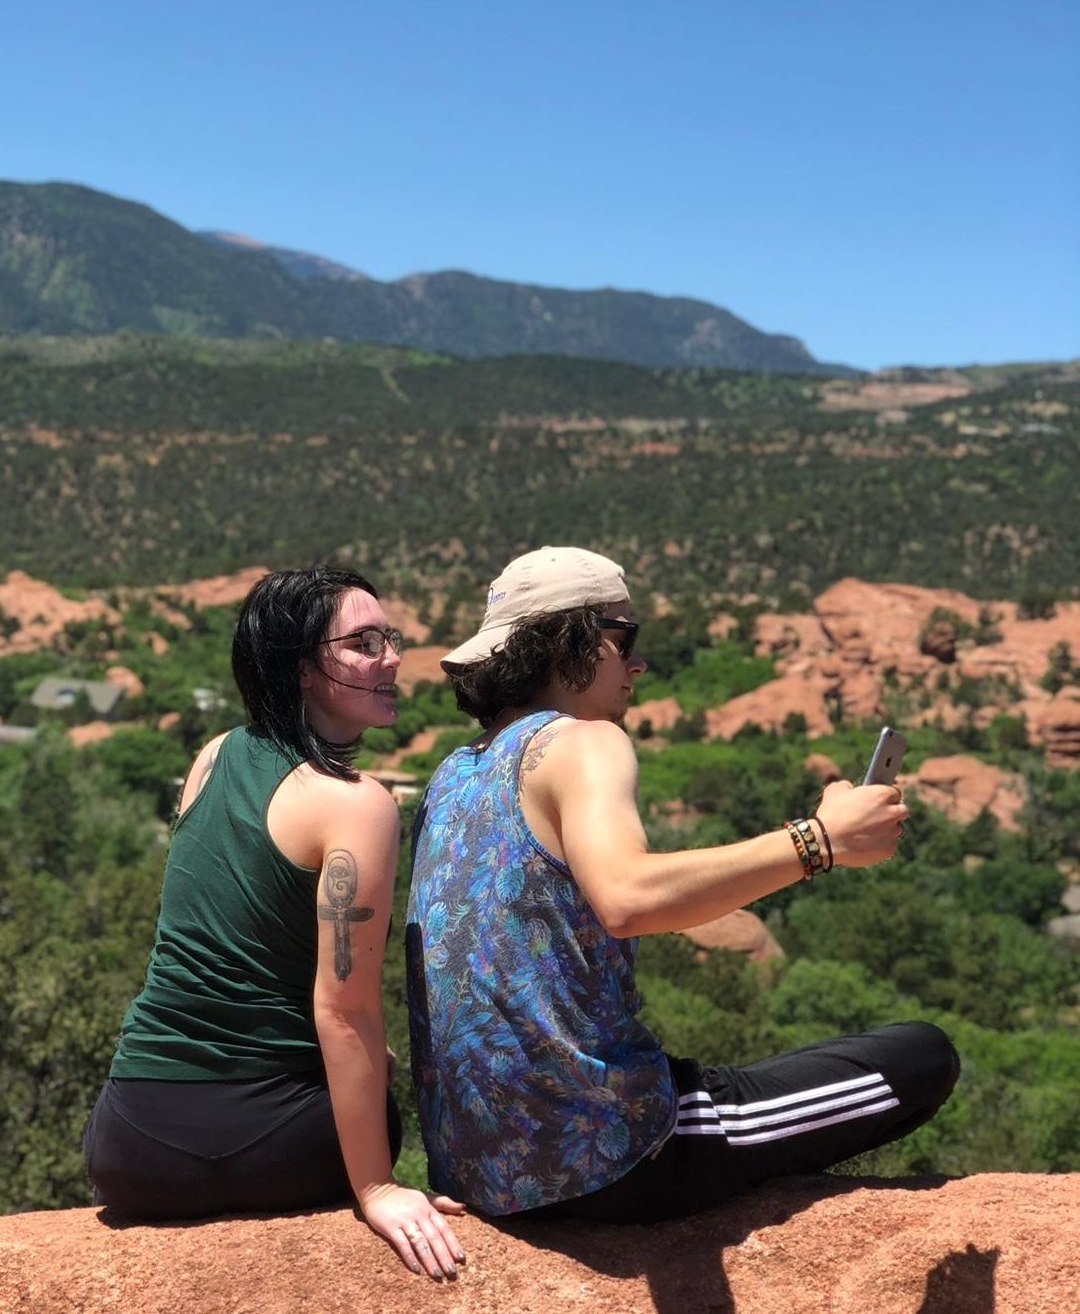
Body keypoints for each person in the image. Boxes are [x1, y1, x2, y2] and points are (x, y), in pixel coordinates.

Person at [405, 545, 959, 1222]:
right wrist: (820, 842)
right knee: (923, 1056)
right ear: (567, 644)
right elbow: (628, 898)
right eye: (624, 638)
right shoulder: (582, 741)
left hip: (473, 1168)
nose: (637, 663)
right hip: (605, 1157)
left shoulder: (453, 774)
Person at [84, 566, 466, 1278]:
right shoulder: (358, 805)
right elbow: (344, 1009)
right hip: (271, 1140)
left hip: (129, 1140)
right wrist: (377, 1188)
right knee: (376, 1101)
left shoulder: (212, 756)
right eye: (362, 643)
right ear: (303, 671)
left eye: (391, 638)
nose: (391, 659)